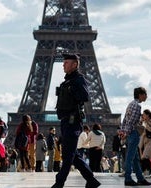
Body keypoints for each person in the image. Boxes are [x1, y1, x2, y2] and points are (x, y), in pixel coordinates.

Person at [52, 53, 100, 188]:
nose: (63, 65)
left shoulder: (78, 80)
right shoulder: (67, 81)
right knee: (73, 155)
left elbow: (85, 96)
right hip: (66, 121)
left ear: (75, 64)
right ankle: (91, 180)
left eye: (66, 63)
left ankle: (59, 182)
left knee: (68, 154)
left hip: (73, 121)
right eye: (64, 63)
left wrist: (72, 90)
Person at [121, 87, 151, 186]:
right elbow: (131, 122)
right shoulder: (137, 106)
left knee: (135, 158)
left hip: (129, 133)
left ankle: (140, 178)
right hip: (133, 133)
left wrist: (123, 131)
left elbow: (125, 120)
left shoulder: (130, 104)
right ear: (140, 95)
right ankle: (128, 179)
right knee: (130, 157)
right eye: (145, 94)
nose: (146, 96)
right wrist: (127, 132)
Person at [139, 109, 151, 178]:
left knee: (145, 156)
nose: (143, 116)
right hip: (144, 141)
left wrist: (145, 124)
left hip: (150, 140)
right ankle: (145, 171)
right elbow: (140, 130)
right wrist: (141, 122)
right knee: (143, 158)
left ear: (147, 115)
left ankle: (150, 171)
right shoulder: (144, 122)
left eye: (144, 115)